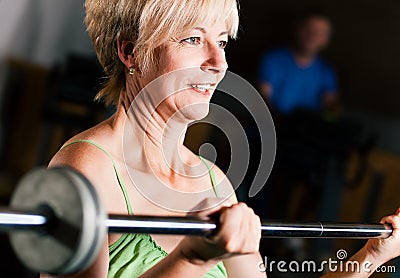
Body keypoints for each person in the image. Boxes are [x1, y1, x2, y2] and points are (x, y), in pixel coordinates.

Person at [43, 0, 400, 277]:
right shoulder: (84, 169)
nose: (219, 62)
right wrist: (193, 257)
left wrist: (373, 255)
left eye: (223, 42)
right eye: (193, 39)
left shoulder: (215, 182)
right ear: (131, 52)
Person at [259, 12, 338, 115]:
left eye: (319, 33)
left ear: (326, 40)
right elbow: (262, 99)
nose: (312, 36)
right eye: (308, 29)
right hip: (273, 123)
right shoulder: (273, 60)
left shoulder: (326, 71)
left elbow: (331, 105)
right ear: (298, 29)